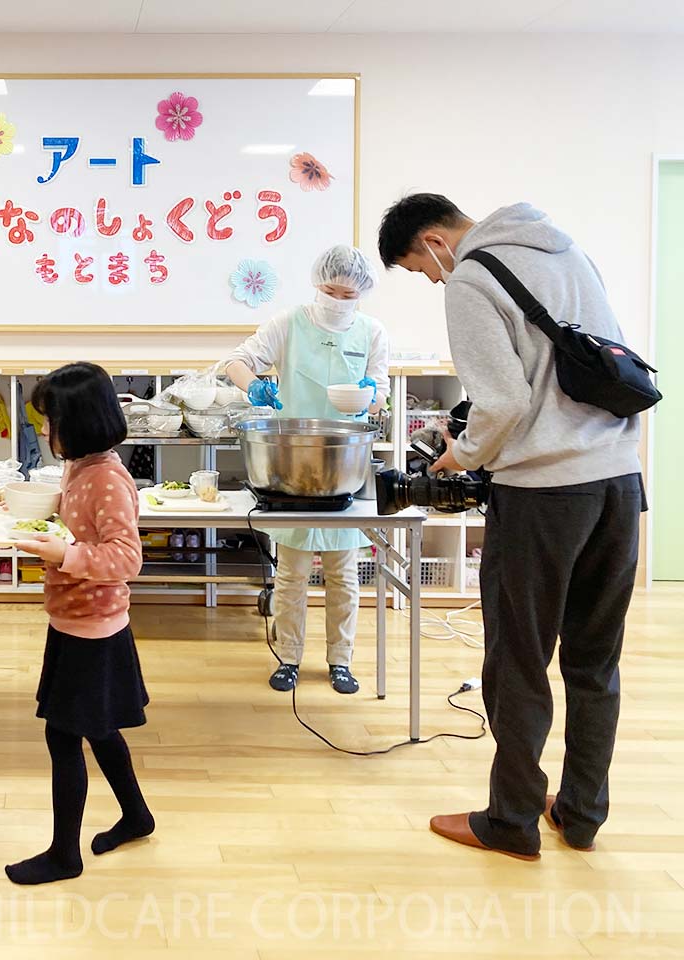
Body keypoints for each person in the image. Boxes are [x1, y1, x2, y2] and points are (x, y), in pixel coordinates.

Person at [379, 194, 643, 860]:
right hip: (617, 481)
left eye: (419, 268)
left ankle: (513, 820)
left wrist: (458, 454)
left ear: (435, 240)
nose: (432, 280)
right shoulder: (569, 251)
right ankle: (581, 812)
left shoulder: (471, 276)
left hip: (544, 494)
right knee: (594, 661)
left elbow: (505, 402)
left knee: (518, 662)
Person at [5, 362, 154, 886]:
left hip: (93, 626)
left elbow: (126, 558)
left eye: (51, 422)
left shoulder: (106, 479)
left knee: (64, 737)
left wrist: (65, 553)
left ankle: (64, 855)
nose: (44, 432)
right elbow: (78, 526)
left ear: (82, 422)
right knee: (99, 728)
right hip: (74, 620)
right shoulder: (81, 467)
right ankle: (137, 816)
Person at [222, 245, 391, 695]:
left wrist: (372, 392)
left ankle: (341, 660)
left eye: (347, 292)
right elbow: (236, 362)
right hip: (292, 460)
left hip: (344, 461)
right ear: (317, 284)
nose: (337, 298)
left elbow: (380, 395)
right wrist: (254, 386)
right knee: (292, 573)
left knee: (343, 573)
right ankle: (289, 657)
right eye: (330, 289)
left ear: (361, 293)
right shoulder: (287, 324)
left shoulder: (372, 332)